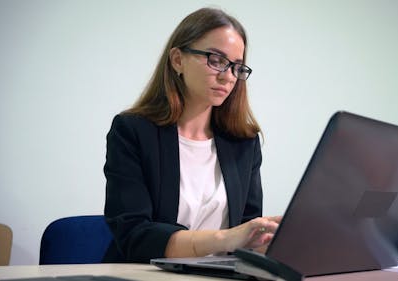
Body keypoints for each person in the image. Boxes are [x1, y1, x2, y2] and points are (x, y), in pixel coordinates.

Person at [103, 7, 280, 263]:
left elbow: (246, 232)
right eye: (216, 60)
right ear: (177, 60)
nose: (227, 76)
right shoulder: (132, 131)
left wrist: (268, 241)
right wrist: (225, 238)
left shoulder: (244, 142)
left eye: (237, 67)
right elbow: (136, 235)